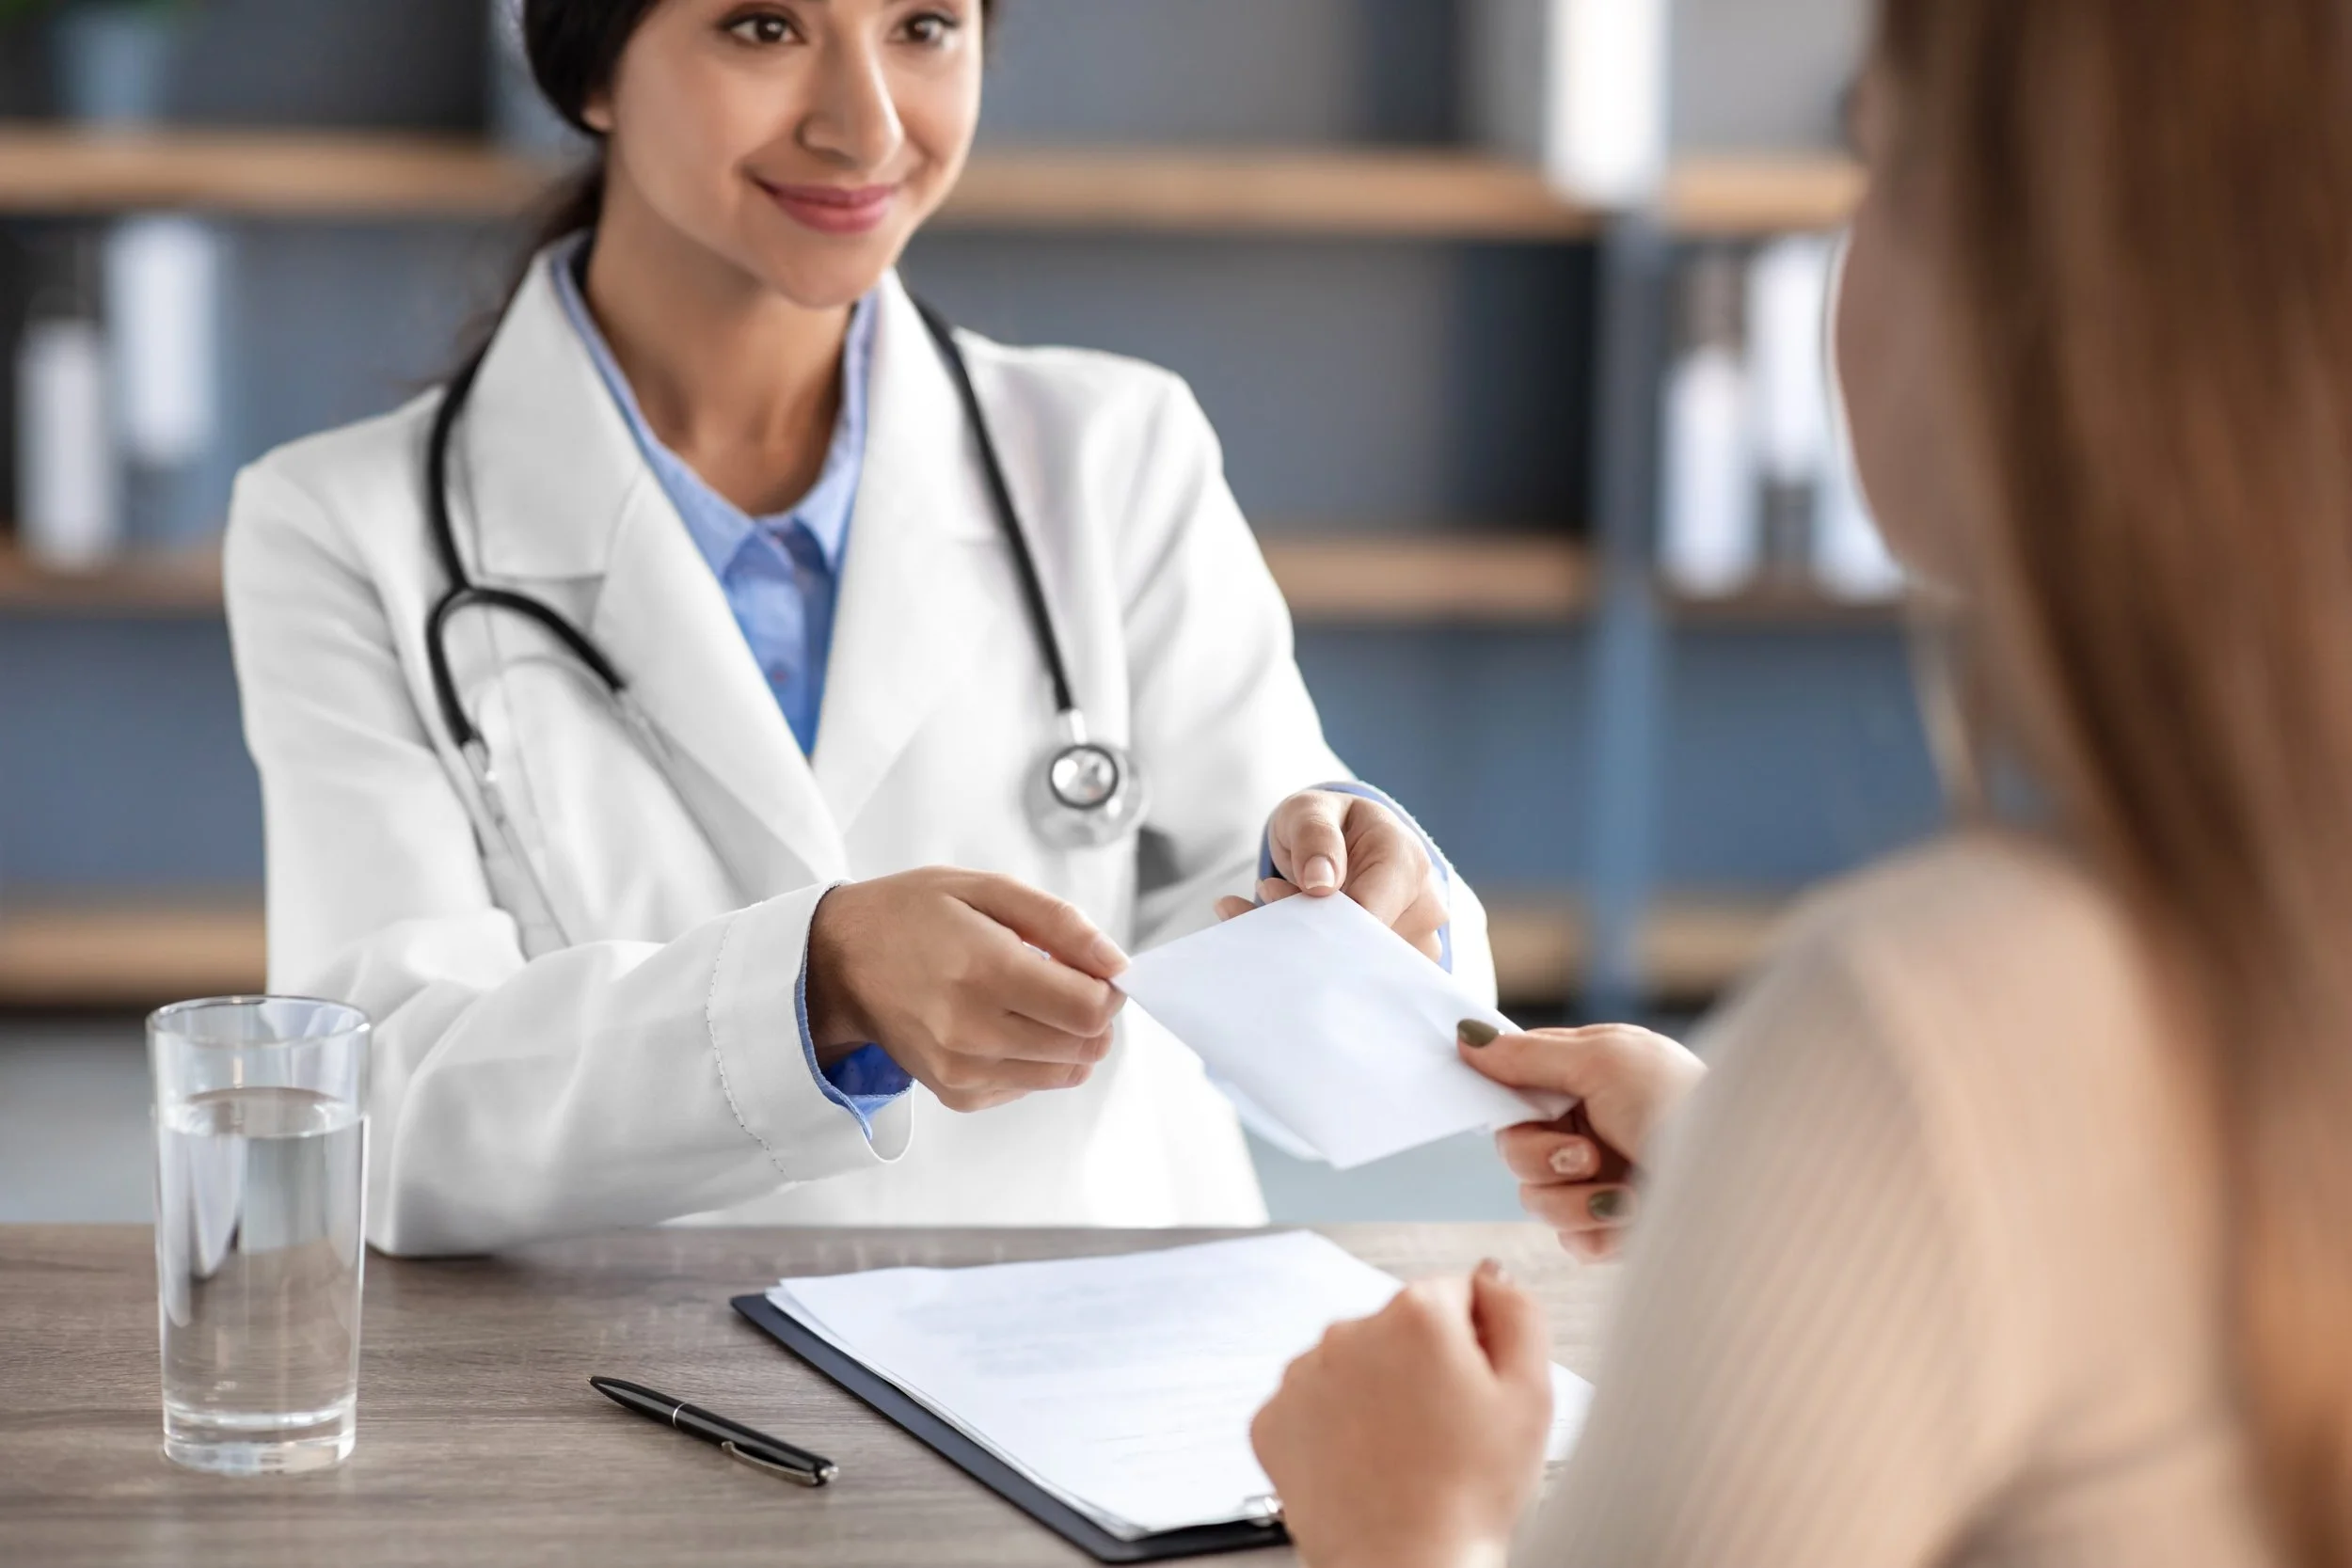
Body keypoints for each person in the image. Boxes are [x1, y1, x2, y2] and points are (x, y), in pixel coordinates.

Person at [1252, 0, 2352, 1562]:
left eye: (1875, 164)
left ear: (2053, 296)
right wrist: (1774, 1202)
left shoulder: (1926, 1019)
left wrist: (1405, 1519)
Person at [222, 0, 1489, 1256]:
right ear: (587, 67)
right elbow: (380, 1108)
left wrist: (1357, 894)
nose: (866, 123)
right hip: (641, 1393)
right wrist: (816, 986)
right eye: (764, 28)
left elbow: (1278, 922)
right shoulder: (341, 528)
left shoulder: (1116, 450)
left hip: (1103, 1358)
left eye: (924, 27)